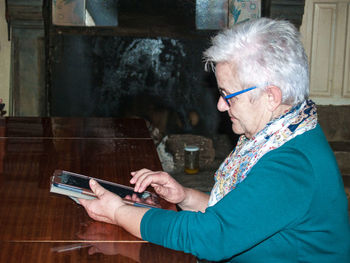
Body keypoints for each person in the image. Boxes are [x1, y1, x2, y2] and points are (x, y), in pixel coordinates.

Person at [79, 18, 350, 262]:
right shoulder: (281, 133)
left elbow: (212, 238)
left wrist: (118, 213)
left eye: (228, 94)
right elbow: (240, 217)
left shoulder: (292, 164)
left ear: (271, 96)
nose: (221, 106)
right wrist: (185, 196)